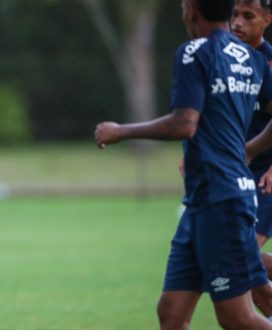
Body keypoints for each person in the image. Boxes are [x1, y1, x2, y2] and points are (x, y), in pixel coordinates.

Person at [95, 0, 272, 328]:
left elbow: (184, 123)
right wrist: (245, 150)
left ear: (190, 9)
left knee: (237, 317)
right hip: (203, 199)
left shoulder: (193, 53)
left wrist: (122, 131)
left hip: (223, 198)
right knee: (172, 311)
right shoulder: (252, 58)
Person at [231, 0, 272, 316]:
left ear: (266, 20)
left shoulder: (268, 62)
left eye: (248, 16)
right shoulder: (228, 60)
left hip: (263, 173)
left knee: (241, 256)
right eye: (234, 15)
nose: (238, 23)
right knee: (237, 260)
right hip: (234, 170)